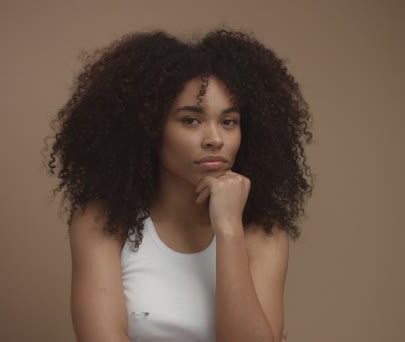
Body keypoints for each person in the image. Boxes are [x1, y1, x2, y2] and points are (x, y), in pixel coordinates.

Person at [43, 27, 314, 342]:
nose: (215, 139)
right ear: (149, 129)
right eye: (191, 120)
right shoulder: (102, 223)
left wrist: (228, 228)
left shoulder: (263, 235)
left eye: (229, 122)